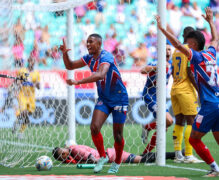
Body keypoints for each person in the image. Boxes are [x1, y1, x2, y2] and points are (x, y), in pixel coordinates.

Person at [155, 7, 219, 177]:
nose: (186, 43)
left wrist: (162, 30)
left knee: (193, 138)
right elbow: (215, 38)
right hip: (218, 101)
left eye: (188, 42)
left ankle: (214, 168)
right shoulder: (211, 54)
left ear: (193, 44)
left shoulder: (196, 57)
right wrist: (211, 22)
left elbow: (176, 44)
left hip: (209, 106)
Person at [59, 34, 129, 174]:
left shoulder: (106, 57)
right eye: (87, 42)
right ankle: (102, 156)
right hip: (104, 98)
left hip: (119, 98)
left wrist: (78, 82)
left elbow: (100, 75)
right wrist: (65, 54)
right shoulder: (89, 58)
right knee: (94, 127)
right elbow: (70, 65)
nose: (88, 44)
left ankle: (117, 162)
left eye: (91, 42)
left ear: (99, 43)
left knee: (118, 136)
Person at [171, 26, 203, 163]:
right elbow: (189, 72)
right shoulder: (188, 51)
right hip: (186, 90)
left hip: (175, 88)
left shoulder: (175, 51)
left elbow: (173, 71)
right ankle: (189, 155)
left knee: (179, 121)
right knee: (192, 121)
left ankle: (178, 154)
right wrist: (199, 90)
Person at [140, 44, 173, 154]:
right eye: (165, 49)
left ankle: (147, 128)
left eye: (169, 49)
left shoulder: (171, 65)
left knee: (167, 124)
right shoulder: (155, 63)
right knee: (166, 122)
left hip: (161, 98)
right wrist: (157, 67)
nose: (168, 52)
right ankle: (145, 153)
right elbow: (143, 70)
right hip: (150, 96)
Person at [52, 145, 177, 164]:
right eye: (62, 156)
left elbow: (86, 154)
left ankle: (174, 154)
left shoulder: (74, 149)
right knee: (140, 158)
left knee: (141, 160)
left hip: (111, 155)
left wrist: (94, 161)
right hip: (110, 154)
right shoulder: (71, 155)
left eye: (62, 153)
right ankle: (175, 154)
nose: (64, 156)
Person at [14, 56, 40, 139]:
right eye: (31, 61)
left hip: (31, 97)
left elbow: (39, 86)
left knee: (28, 115)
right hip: (22, 95)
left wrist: (37, 84)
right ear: (28, 61)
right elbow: (16, 81)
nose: (32, 62)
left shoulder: (36, 73)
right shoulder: (22, 71)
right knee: (24, 112)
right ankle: (20, 132)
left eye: (34, 61)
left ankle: (18, 123)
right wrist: (17, 84)